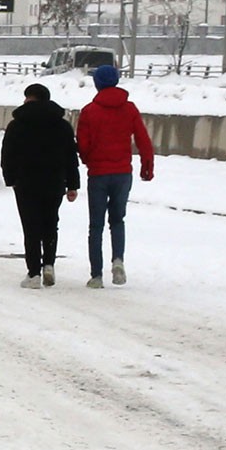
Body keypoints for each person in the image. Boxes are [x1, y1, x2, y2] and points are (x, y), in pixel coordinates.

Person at [74, 62, 155, 288]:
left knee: (96, 225)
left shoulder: (89, 111)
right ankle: (118, 261)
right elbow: (142, 139)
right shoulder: (129, 109)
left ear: (97, 83)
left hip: (98, 174)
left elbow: (83, 143)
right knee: (118, 220)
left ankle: (96, 275)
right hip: (122, 174)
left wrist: (88, 159)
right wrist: (146, 165)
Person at [0, 82, 80, 288]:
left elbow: (7, 154)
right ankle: (49, 264)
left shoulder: (17, 124)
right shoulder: (62, 125)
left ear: (28, 98)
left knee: (31, 227)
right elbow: (71, 156)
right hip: (54, 181)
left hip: (26, 182)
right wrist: (72, 185)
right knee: (51, 223)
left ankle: (33, 273)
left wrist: (10, 178)